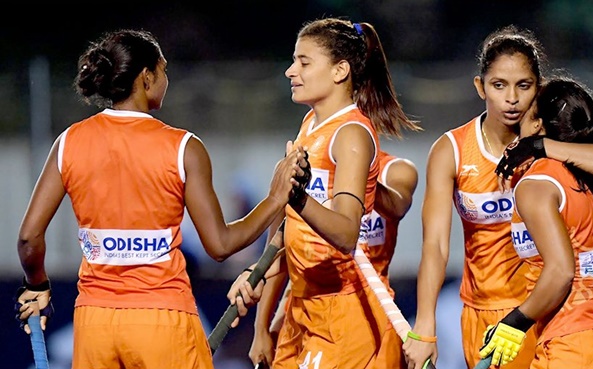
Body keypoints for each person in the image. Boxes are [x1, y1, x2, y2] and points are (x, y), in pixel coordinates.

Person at [13, 29, 308, 369]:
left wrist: (36, 285)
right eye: (164, 70)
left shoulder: (68, 142)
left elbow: (27, 239)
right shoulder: (183, 147)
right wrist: (275, 198)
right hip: (163, 319)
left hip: (95, 323)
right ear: (146, 77)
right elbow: (221, 243)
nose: (166, 80)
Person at [403, 25, 593, 369]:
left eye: (523, 86)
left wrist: (541, 146)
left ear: (538, 89)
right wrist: (425, 326)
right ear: (480, 87)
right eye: (499, 85)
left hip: (542, 308)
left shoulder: (552, 146)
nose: (511, 98)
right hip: (484, 313)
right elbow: (435, 245)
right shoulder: (452, 150)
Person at [238, 17, 421, 369]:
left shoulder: (351, 134)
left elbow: (347, 232)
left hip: (344, 312)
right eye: (294, 61)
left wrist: (298, 198)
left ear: (340, 71)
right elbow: (288, 229)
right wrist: (261, 316)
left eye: (304, 62)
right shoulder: (310, 124)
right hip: (303, 307)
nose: (291, 71)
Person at [481, 75, 593, 368]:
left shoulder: (537, 183)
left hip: (570, 346)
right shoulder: (590, 173)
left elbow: (562, 270)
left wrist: (514, 322)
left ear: (538, 125)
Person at [240, 150, 419, 368]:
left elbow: (397, 207)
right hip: (301, 312)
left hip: (364, 315)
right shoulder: (302, 168)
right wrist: (261, 329)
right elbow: (281, 252)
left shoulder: (398, 171)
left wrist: (353, 170)